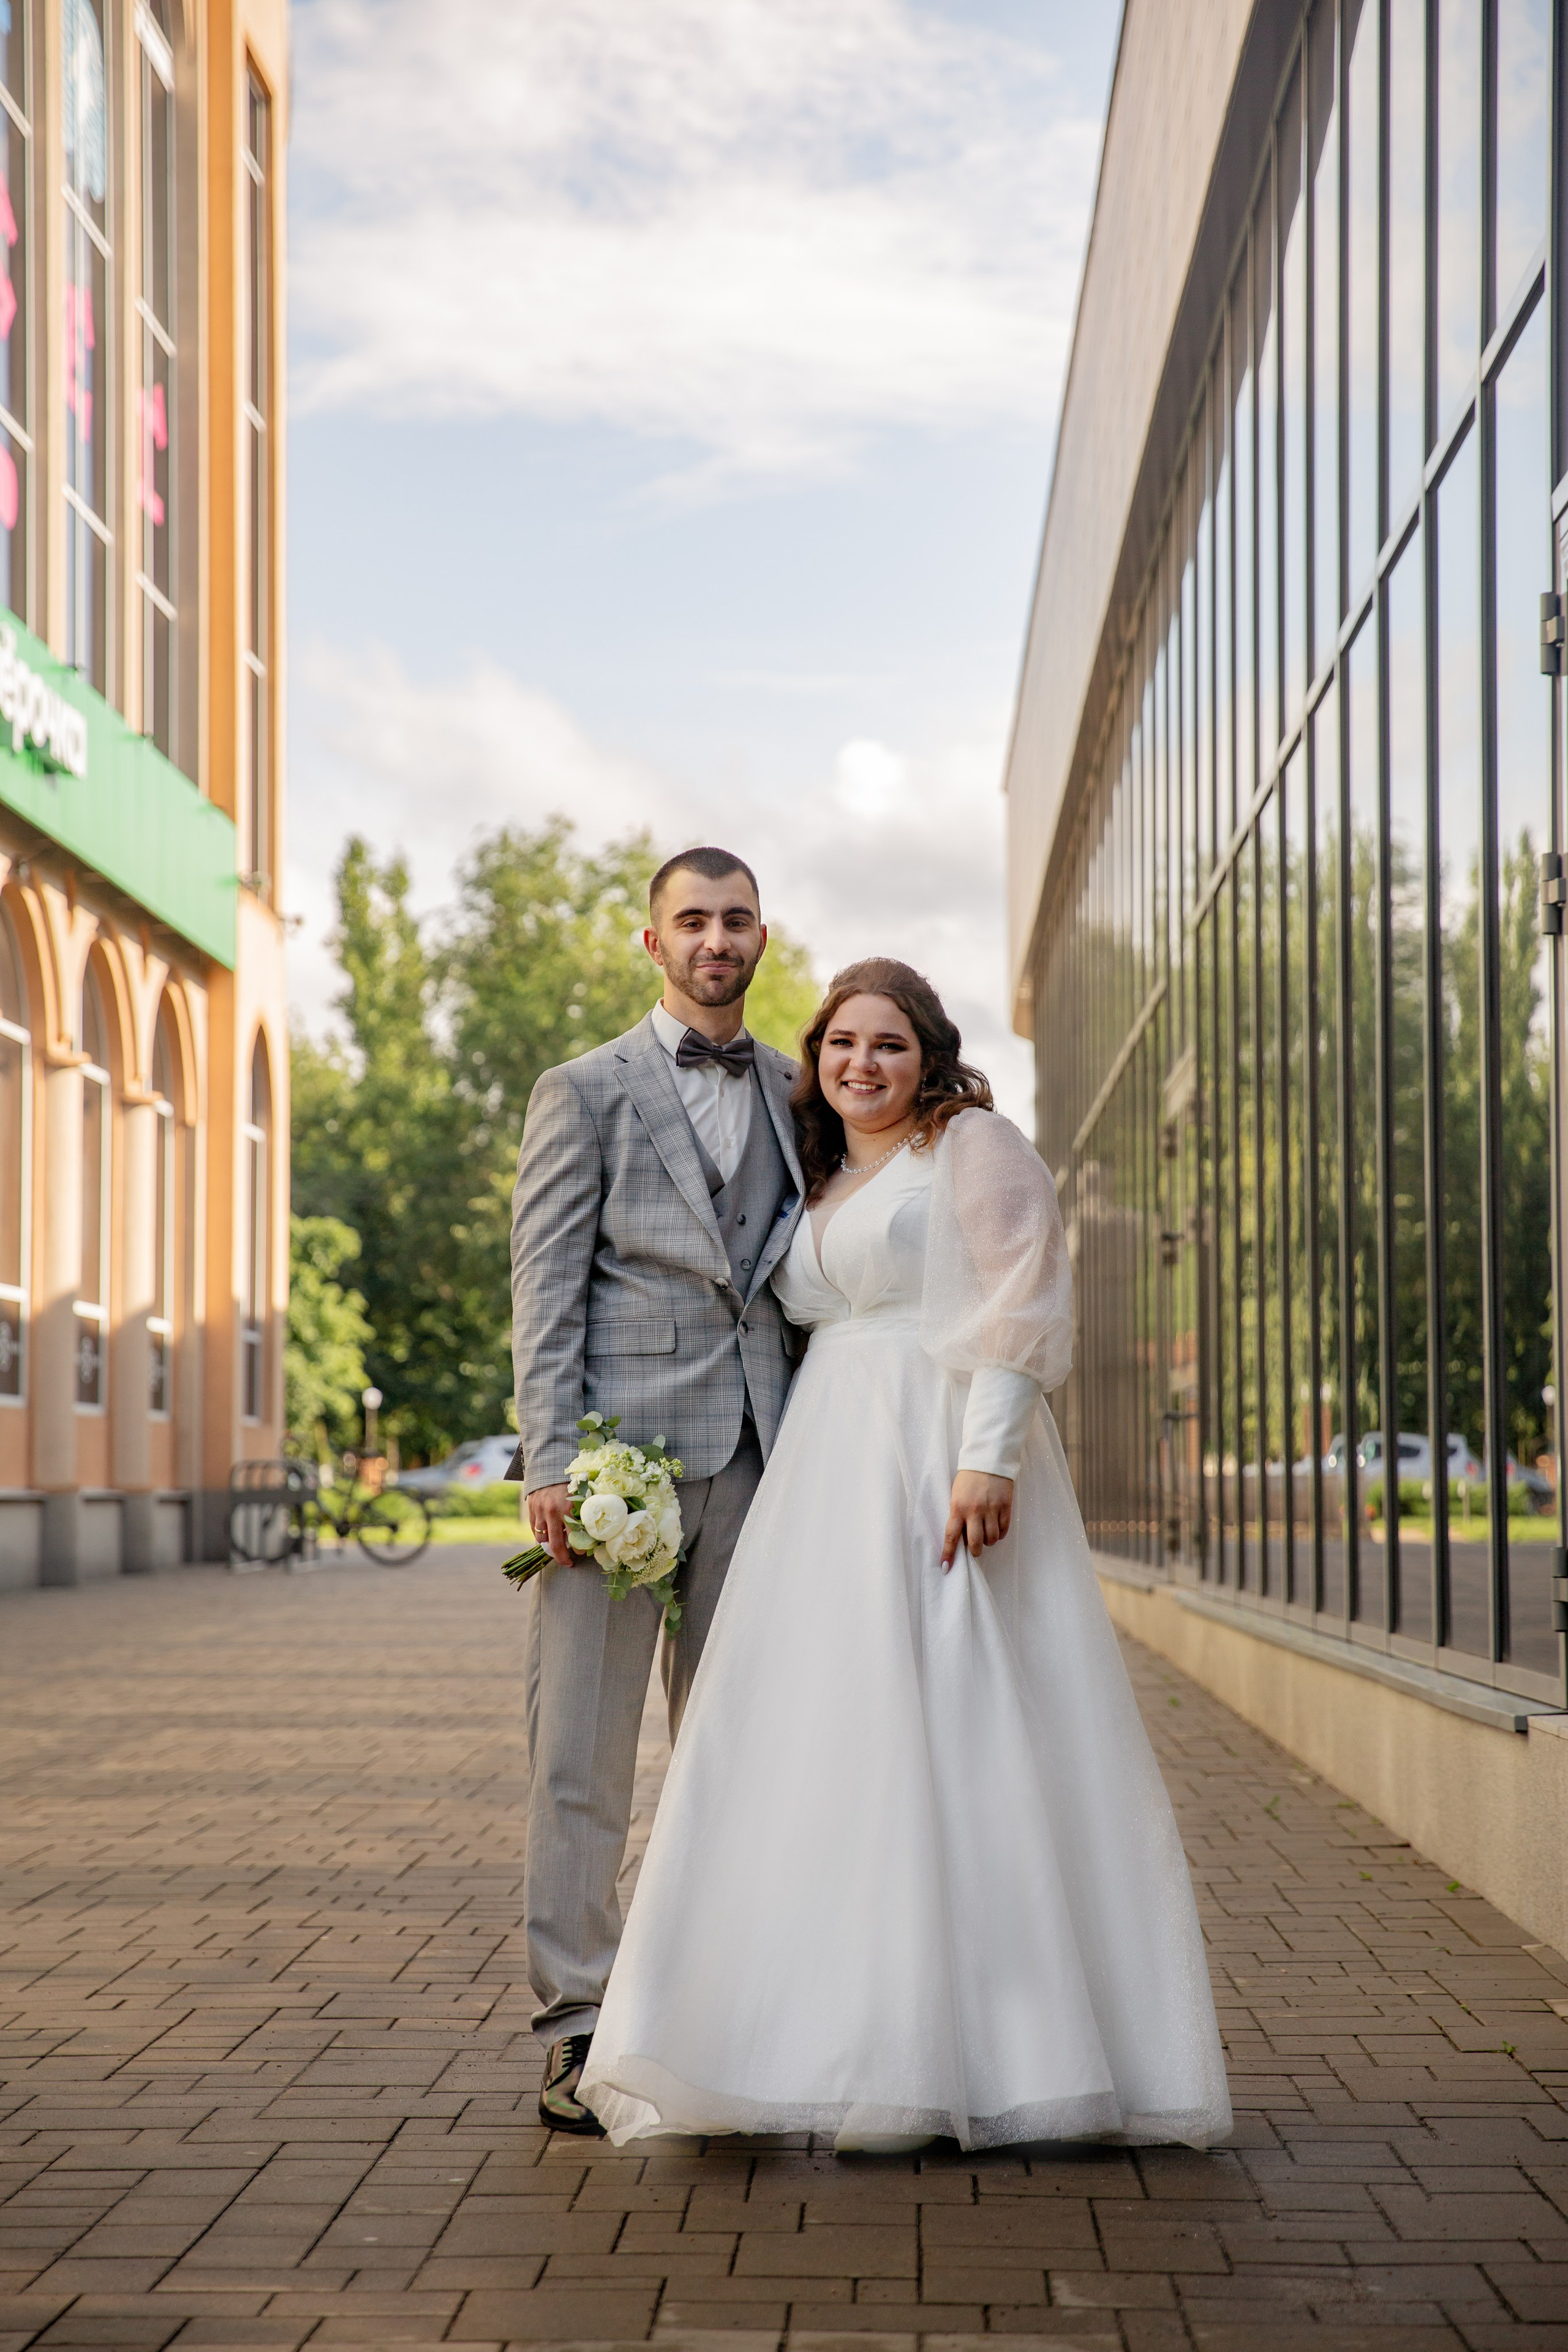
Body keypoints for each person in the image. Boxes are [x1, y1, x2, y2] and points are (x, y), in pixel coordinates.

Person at [579, 959, 1232, 2153]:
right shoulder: (820, 1171)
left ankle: (988, 2055)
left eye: (885, 1045)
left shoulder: (970, 1145)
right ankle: (827, 2038)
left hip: (938, 1458)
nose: (859, 1066)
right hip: (828, 1478)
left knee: (963, 1728)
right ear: (815, 1060)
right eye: (839, 1047)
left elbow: (1024, 1299)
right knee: (841, 1745)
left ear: (927, 1054)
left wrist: (987, 1458)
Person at [507, 846, 804, 2135]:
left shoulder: (803, 1091)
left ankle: (707, 2008)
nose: (715, 938)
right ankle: (577, 2020)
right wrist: (554, 1461)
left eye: (736, 919)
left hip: (758, 1461)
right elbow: (545, 1286)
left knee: (732, 1747)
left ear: (760, 936)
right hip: (619, 1467)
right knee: (579, 1747)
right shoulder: (582, 1092)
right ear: (651, 941)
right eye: (692, 919)